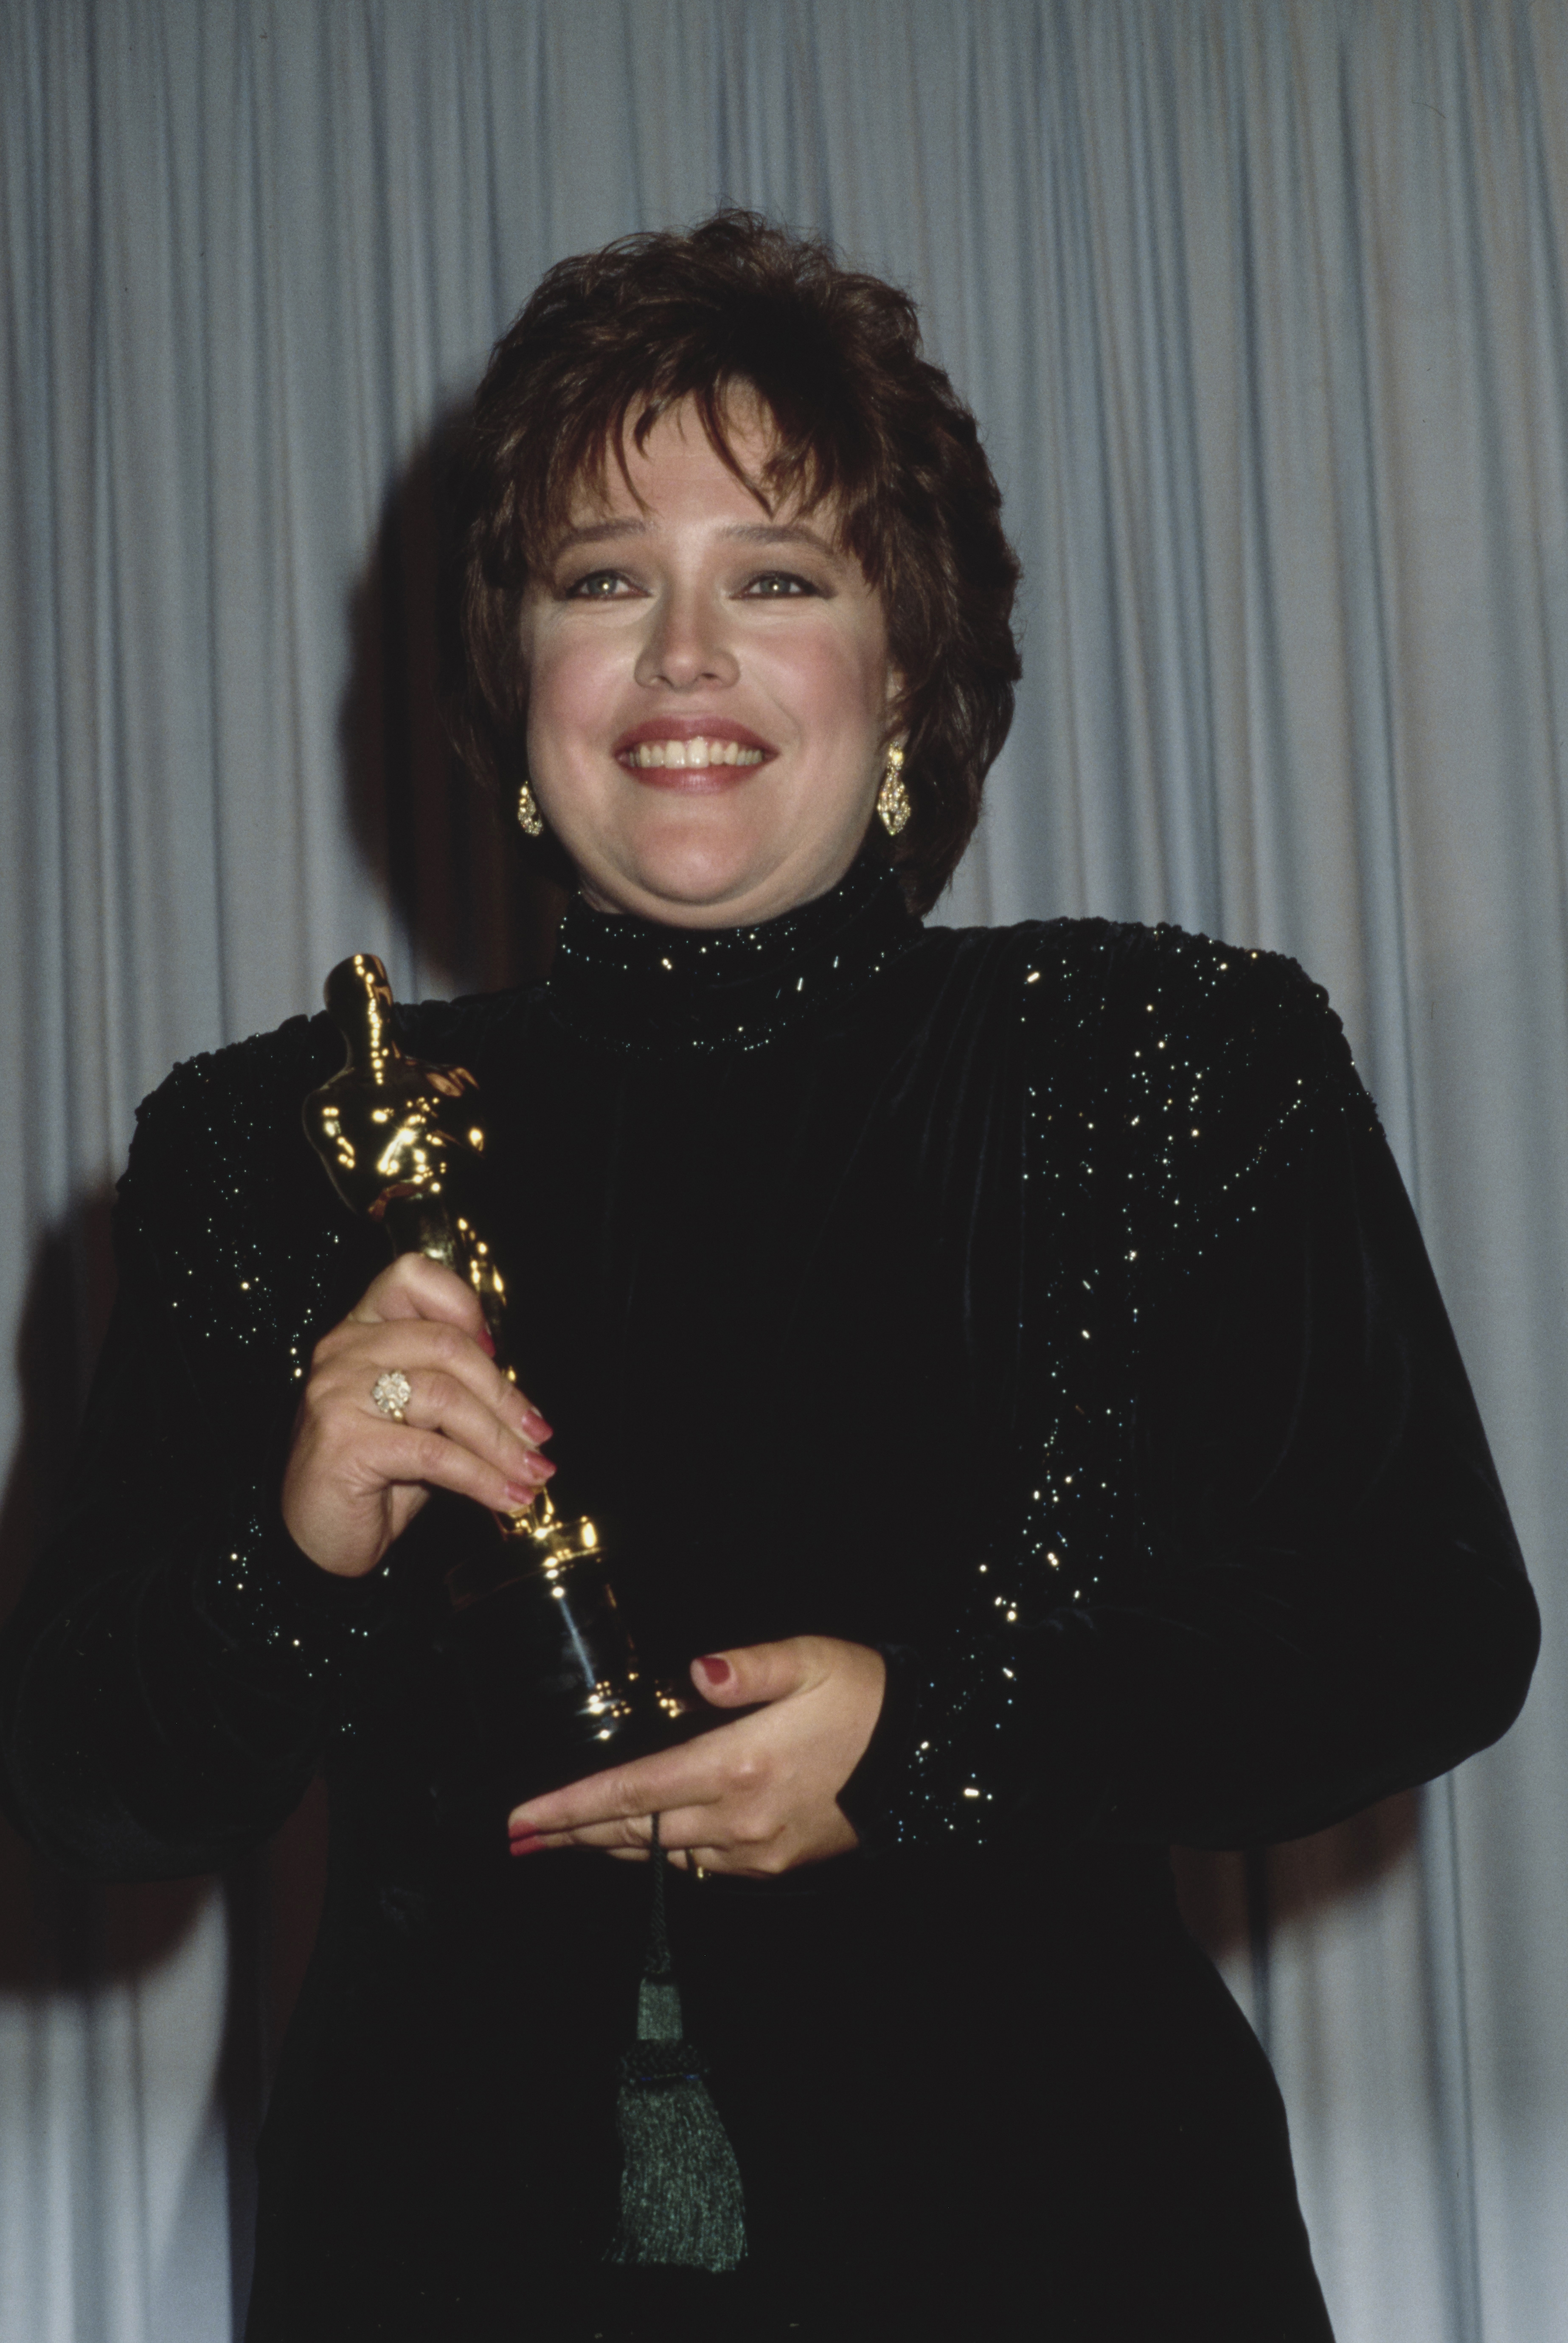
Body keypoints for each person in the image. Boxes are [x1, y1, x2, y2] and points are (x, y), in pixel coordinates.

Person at [0, 211, 1540, 2343]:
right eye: (604, 579)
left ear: (907, 659)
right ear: (512, 666)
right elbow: (82, 1781)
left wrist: (934, 1743)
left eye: (781, 579)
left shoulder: (1161, 1060)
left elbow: (1422, 1624)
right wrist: (290, 1544)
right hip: (452, 2262)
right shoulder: (279, 1143)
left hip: (1064, 2248)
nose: (685, 660)